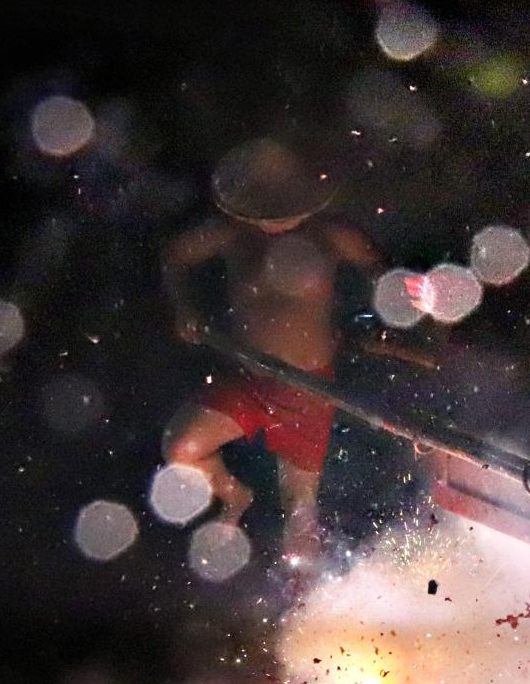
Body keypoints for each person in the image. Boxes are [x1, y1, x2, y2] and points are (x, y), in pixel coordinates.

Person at [161, 139, 381, 570]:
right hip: (248, 376)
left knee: (301, 514)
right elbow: (174, 256)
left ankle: (304, 597)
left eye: (284, 212)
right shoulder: (230, 234)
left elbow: (384, 275)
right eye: (265, 213)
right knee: (181, 448)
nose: (276, 224)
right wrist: (185, 311)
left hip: (308, 385)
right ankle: (234, 495)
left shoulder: (333, 236)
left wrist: (382, 323)